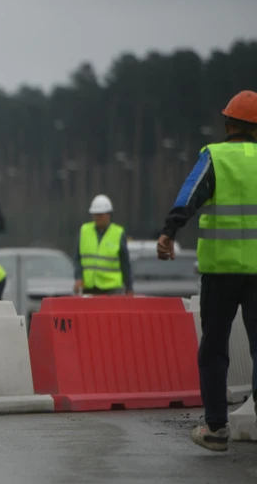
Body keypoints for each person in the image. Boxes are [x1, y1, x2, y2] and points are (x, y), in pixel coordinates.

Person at [156, 90, 257, 452]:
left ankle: (216, 427)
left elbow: (189, 196)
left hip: (222, 272)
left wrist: (170, 232)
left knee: (214, 348)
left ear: (228, 123)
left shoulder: (215, 156)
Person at [73, 194, 134, 296]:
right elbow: (77, 258)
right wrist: (78, 278)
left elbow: (125, 263)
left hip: (112, 289)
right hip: (89, 288)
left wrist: (129, 287)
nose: (97, 217)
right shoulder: (84, 231)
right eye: (95, 214)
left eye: (100, 214)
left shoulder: (118, 233)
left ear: (108, 215)